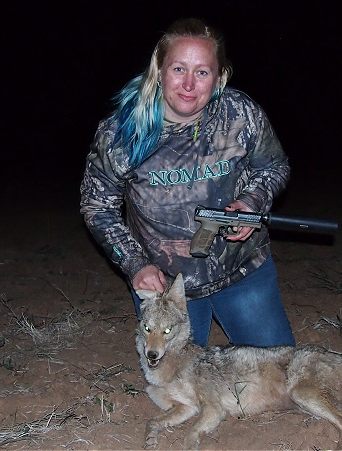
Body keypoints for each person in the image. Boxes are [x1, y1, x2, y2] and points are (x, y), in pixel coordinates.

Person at [80, 18, 295, 347]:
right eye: (179, 69)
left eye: (203, 72)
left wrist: (253, 200)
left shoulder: (240, 114)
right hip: (165, 287)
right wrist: (135, 265)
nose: (189, 85)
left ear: (219, 77)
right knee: (180, 390)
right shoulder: (122, 132)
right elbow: (98, 206)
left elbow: (275, 166)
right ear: (159, 69)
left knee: (275, 377)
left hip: (242, 272)